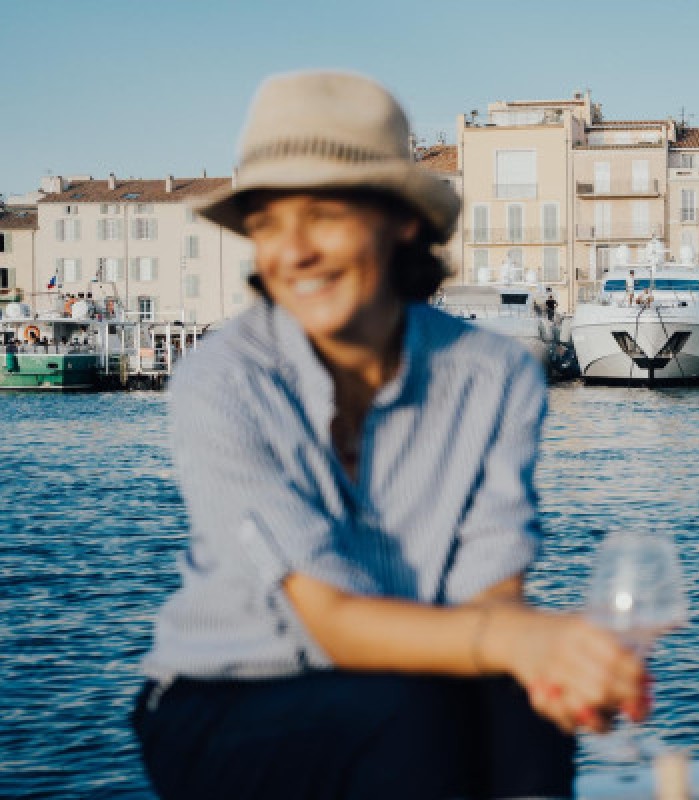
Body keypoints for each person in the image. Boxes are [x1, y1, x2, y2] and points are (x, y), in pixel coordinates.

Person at [131, 71, 646, 800]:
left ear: (401, 220)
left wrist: (555, 669)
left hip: (417, 686)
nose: (292, 251)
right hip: (225, 695)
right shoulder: (224, 379)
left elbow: (490, 598)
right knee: (412, 711)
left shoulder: (495, 377)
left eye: (323, 214)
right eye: (269, 223)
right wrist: (527, 644)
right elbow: (332, 623)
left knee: (526, 705)